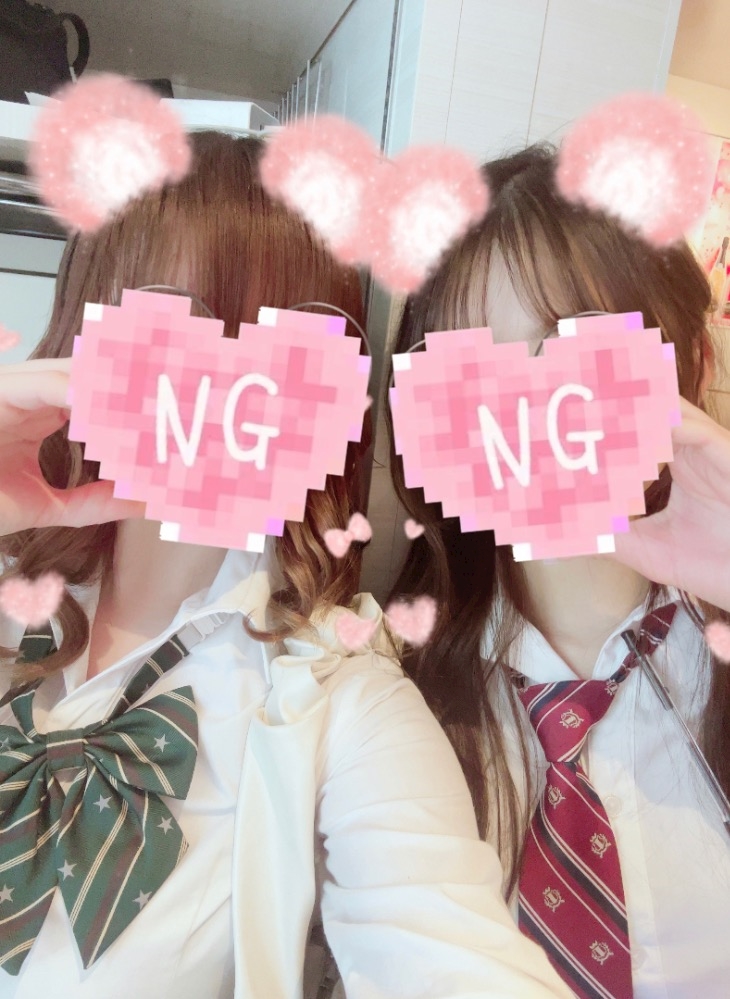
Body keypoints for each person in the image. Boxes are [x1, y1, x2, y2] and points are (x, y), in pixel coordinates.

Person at [0, 131, 572, 999]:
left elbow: (448, 948)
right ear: (89, 333)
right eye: (174, 328)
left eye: (278, 352)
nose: (224, 385)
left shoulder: (339, 696)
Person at [388, 143, 730, 998]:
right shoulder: (381, 691)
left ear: (689, 363)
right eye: (474, 373)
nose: (527, 413)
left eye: (570, 354)